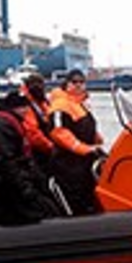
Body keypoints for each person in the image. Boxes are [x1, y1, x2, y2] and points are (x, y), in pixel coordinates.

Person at [0, 90, 61, 226]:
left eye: (26, 107)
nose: (26, 111)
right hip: (6, 184)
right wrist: (25, 187)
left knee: (47, 206)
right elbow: (7, 161)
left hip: (14, 178)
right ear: (14, 108)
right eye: (23, 107)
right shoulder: (2, 127)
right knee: (38, 211)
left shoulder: (11, 123)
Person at [48, 69, 106, 215]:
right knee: (76, 194)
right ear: (67, 84)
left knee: (88, 190)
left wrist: (97, 140)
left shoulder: (80, 104)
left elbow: (86, 126)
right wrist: (83, 148)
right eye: (74, 82)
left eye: (81, 82)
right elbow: (58, 132)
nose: (79, 85)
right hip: (68, 162)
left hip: (84, 160)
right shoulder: (60, 104)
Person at [19, 72, 54, 171]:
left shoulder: (43, 102)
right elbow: (32, 133)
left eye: (40, 84)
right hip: (35, 154)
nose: (38, 87)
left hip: (46, 151)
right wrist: (51, 147)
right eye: (35, 84)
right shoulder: (25, 105)